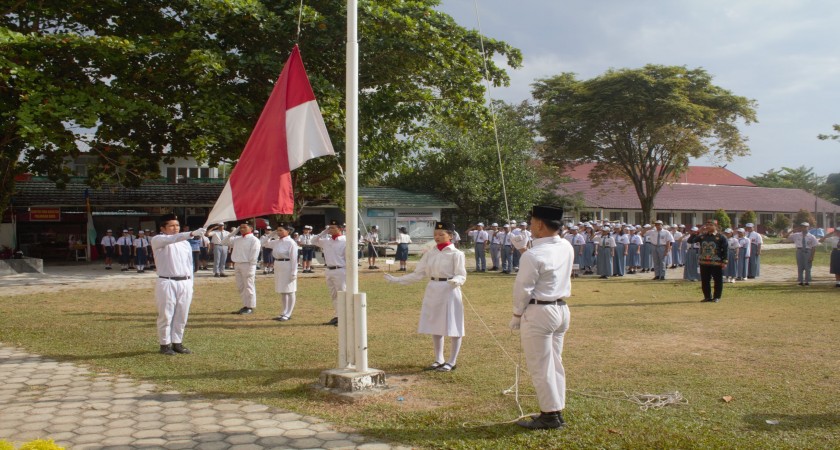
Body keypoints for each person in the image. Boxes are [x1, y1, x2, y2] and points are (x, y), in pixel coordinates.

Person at [508, 205, 572, 430]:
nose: (530, 225)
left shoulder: (534, 254)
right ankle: (555, 409)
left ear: (541, 225)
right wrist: (524, 249)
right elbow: (546, 267)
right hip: (561, 309)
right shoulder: (565, 245)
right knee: (554, 363)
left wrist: (517, 314)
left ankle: (549, 415)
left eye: (532, 222)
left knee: (540, 366)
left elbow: (523, 287)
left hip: (540, 312)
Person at [385, 222, 466, 373]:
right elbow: (419, 273)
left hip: (450, 289)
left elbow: (461, 274)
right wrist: (398, 280)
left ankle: (452, 361)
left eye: (441, 235)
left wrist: (457, 281)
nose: (438, 237)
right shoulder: (430, 253)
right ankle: (439, 358)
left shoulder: (456, 254)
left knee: (453, 325)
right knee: (436, 324)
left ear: (450, 236)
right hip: (433, 289)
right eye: (435, 234)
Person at [152, 214, 203, 355]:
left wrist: (190, 283)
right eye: (172, 226)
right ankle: (164, 344)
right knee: (166, 314)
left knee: (182, 314)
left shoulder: (185, 243)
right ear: (163, 228)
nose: (176, 228)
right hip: (167, 281)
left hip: (185, 282)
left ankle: (177, 342)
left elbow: (189, 264)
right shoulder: (158, 240)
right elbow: (172, 238)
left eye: (177, 225)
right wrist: (191, 233)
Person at [261, 223, 299, 321]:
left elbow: (294, 258)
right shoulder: (276, 241)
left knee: (290, 290)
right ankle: (283, 312)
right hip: (278, 265)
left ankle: (288, 313)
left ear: (288, 231)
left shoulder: (291, 242)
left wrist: (294, 272)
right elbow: (263, 243)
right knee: (282, 290)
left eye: (281, 230)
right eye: (277, 230)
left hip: (288, 265)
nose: (279, 232)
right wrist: (270, 234)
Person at [222, 222, 262, 314]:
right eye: (241, 228)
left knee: (249, 286)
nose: (242, 229)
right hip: (237, 264)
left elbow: (254, 254)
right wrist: (233, 232)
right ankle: (245, 305)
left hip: (247, 264)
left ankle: (250, 306)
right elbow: (223, 242)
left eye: (244, 227)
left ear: (251, 228)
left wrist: (252, 267)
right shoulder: (237, 239)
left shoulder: (254, 240)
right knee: (241, 287)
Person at [312, 219, 346, 326]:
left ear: (340, 229)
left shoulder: (345, 241)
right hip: (329, 270)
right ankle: (338, 316)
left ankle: (345, 317)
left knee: (342, 294)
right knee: (334, 295)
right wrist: (323, 232)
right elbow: (313, 241)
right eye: (329, 227)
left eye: (333, 228)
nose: (330, 230)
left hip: (341, 270)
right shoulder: (327, 241)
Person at [689, 220, 728, 302]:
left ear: (715, 226)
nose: (708, 227)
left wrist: (724, 261)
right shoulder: (702, 236)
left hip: (716, 262)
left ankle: (717, 297)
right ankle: (707, 297)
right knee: (705, 280)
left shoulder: (720, 237)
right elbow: (690, 241)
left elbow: (725, 250)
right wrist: (697, 232)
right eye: (707, 225)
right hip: (704, 262)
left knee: (717, 280)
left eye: (710, 225)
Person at [787, 222, 819, 286]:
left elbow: (813, 247)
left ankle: (807, 281)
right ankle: (800, 281)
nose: (803, 228)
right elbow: (785, 236)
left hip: (807, 251)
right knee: (800, 267)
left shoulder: (811, 236)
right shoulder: (796, 235)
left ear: (808, 227)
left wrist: (812, 256)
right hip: (799, 251)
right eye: (802, 227)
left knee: (807, 267)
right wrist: (793, 230)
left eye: (805, 227)